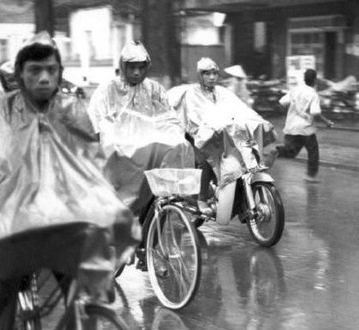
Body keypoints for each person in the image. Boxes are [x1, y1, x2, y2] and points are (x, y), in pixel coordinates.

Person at [0, 32, 134, 330]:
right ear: (21, 74)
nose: (44, 78)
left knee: (86, 274)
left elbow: (90, 163)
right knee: (5, 267)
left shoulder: (71, 109)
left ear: (59, 73)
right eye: (35, 70)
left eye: (51, 70)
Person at [88, 40, 194, 228]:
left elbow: (167, 117)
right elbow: (98, 122)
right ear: (123, 66)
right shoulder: (108, 90)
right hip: (121, 153)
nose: (137, 72)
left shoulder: (154, 89)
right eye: (132, 68)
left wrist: (177, 136)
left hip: (151, 149)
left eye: (141, 67)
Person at [168, 57, 276, 213]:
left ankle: (238, 201)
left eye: (214, 74)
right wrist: (208, 128)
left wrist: (258, 121)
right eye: (207, 74)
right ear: (200, 75)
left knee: (241, 156)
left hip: (218, 134)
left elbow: (241, 109)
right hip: (195, 136)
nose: (212, 77)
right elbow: (194, 118)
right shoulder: (193, 93)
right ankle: (202, 199)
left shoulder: (223, 92)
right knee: (205, 162)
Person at [265, 69, 333, 183]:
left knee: (290, 152)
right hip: (306, 130)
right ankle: (310, 176)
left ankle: (276, 151)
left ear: (304, 79)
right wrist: (327, 122)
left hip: (291, 128)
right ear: (315, 80)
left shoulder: (295, 90)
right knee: (313, 151)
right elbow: (315, 113)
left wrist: (290, 114)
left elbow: (282, 103)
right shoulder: (313, 94)